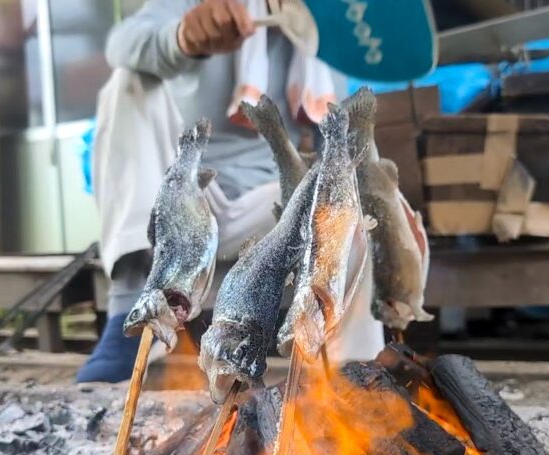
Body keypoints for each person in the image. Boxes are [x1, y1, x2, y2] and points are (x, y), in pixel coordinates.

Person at [77, 0, 385, 383]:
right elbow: (120, 43)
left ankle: (354, 372)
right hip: (183, 201)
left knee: (346, 206)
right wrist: (182, 37)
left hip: (268, 207)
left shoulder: (326, 25)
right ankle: (130, 304)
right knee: (127, 82)